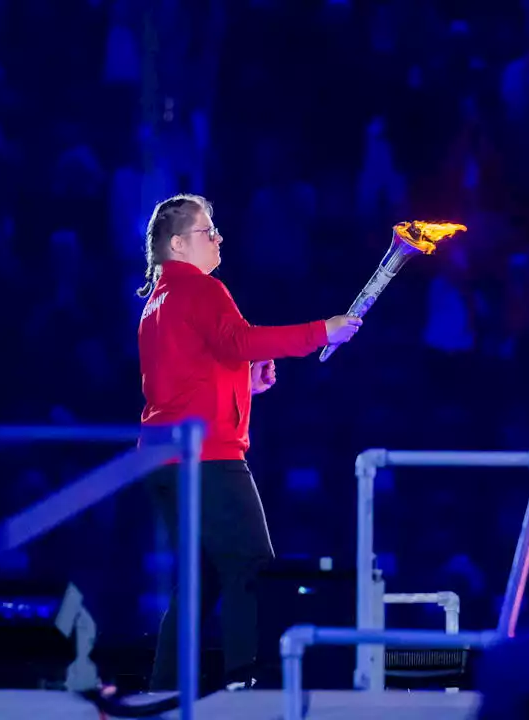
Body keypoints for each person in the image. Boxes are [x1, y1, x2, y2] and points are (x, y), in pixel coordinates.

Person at [135, 194, 361, 689]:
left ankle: (166, 688)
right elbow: (240, 341)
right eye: (207, 231)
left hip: (162, 461)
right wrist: (322, 332)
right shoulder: (202, 290)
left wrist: (244, 383)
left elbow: (187, 377)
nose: (218, 238)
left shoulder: (158, 302)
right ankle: (247, 685)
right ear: (177, 243)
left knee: (202, 578)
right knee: (250, 568)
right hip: (206, 459)